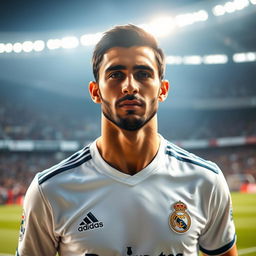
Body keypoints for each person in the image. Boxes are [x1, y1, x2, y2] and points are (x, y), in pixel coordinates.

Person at [16, 24, 238, 256]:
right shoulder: (49, 189)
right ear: (95, 91)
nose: (130, 86)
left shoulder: (205, 180)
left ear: (162, 89)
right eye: (115, 74)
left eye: (143, 74)